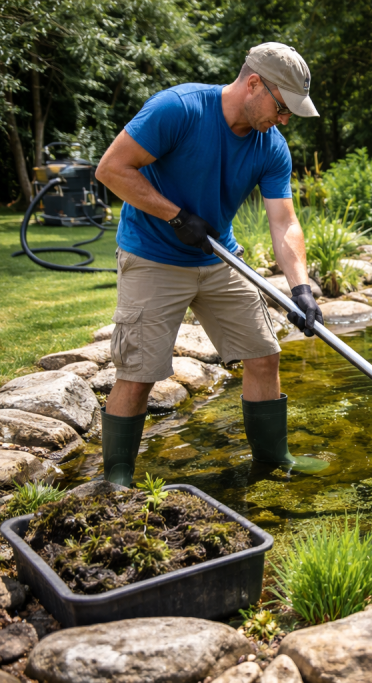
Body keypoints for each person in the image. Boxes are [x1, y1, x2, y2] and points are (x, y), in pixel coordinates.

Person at [94, 42, 328, 485]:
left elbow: (284, 222)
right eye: (282, 108)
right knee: (139, 373)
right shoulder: (178, 110)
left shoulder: (270, 146)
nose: (284, 120)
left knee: (264, 356)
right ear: (254, 83)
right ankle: (118, 479)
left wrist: (301, 288)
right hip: (153, 254)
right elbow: (112, 169)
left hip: (220, 258)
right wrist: (175, 216)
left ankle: (273, 458)